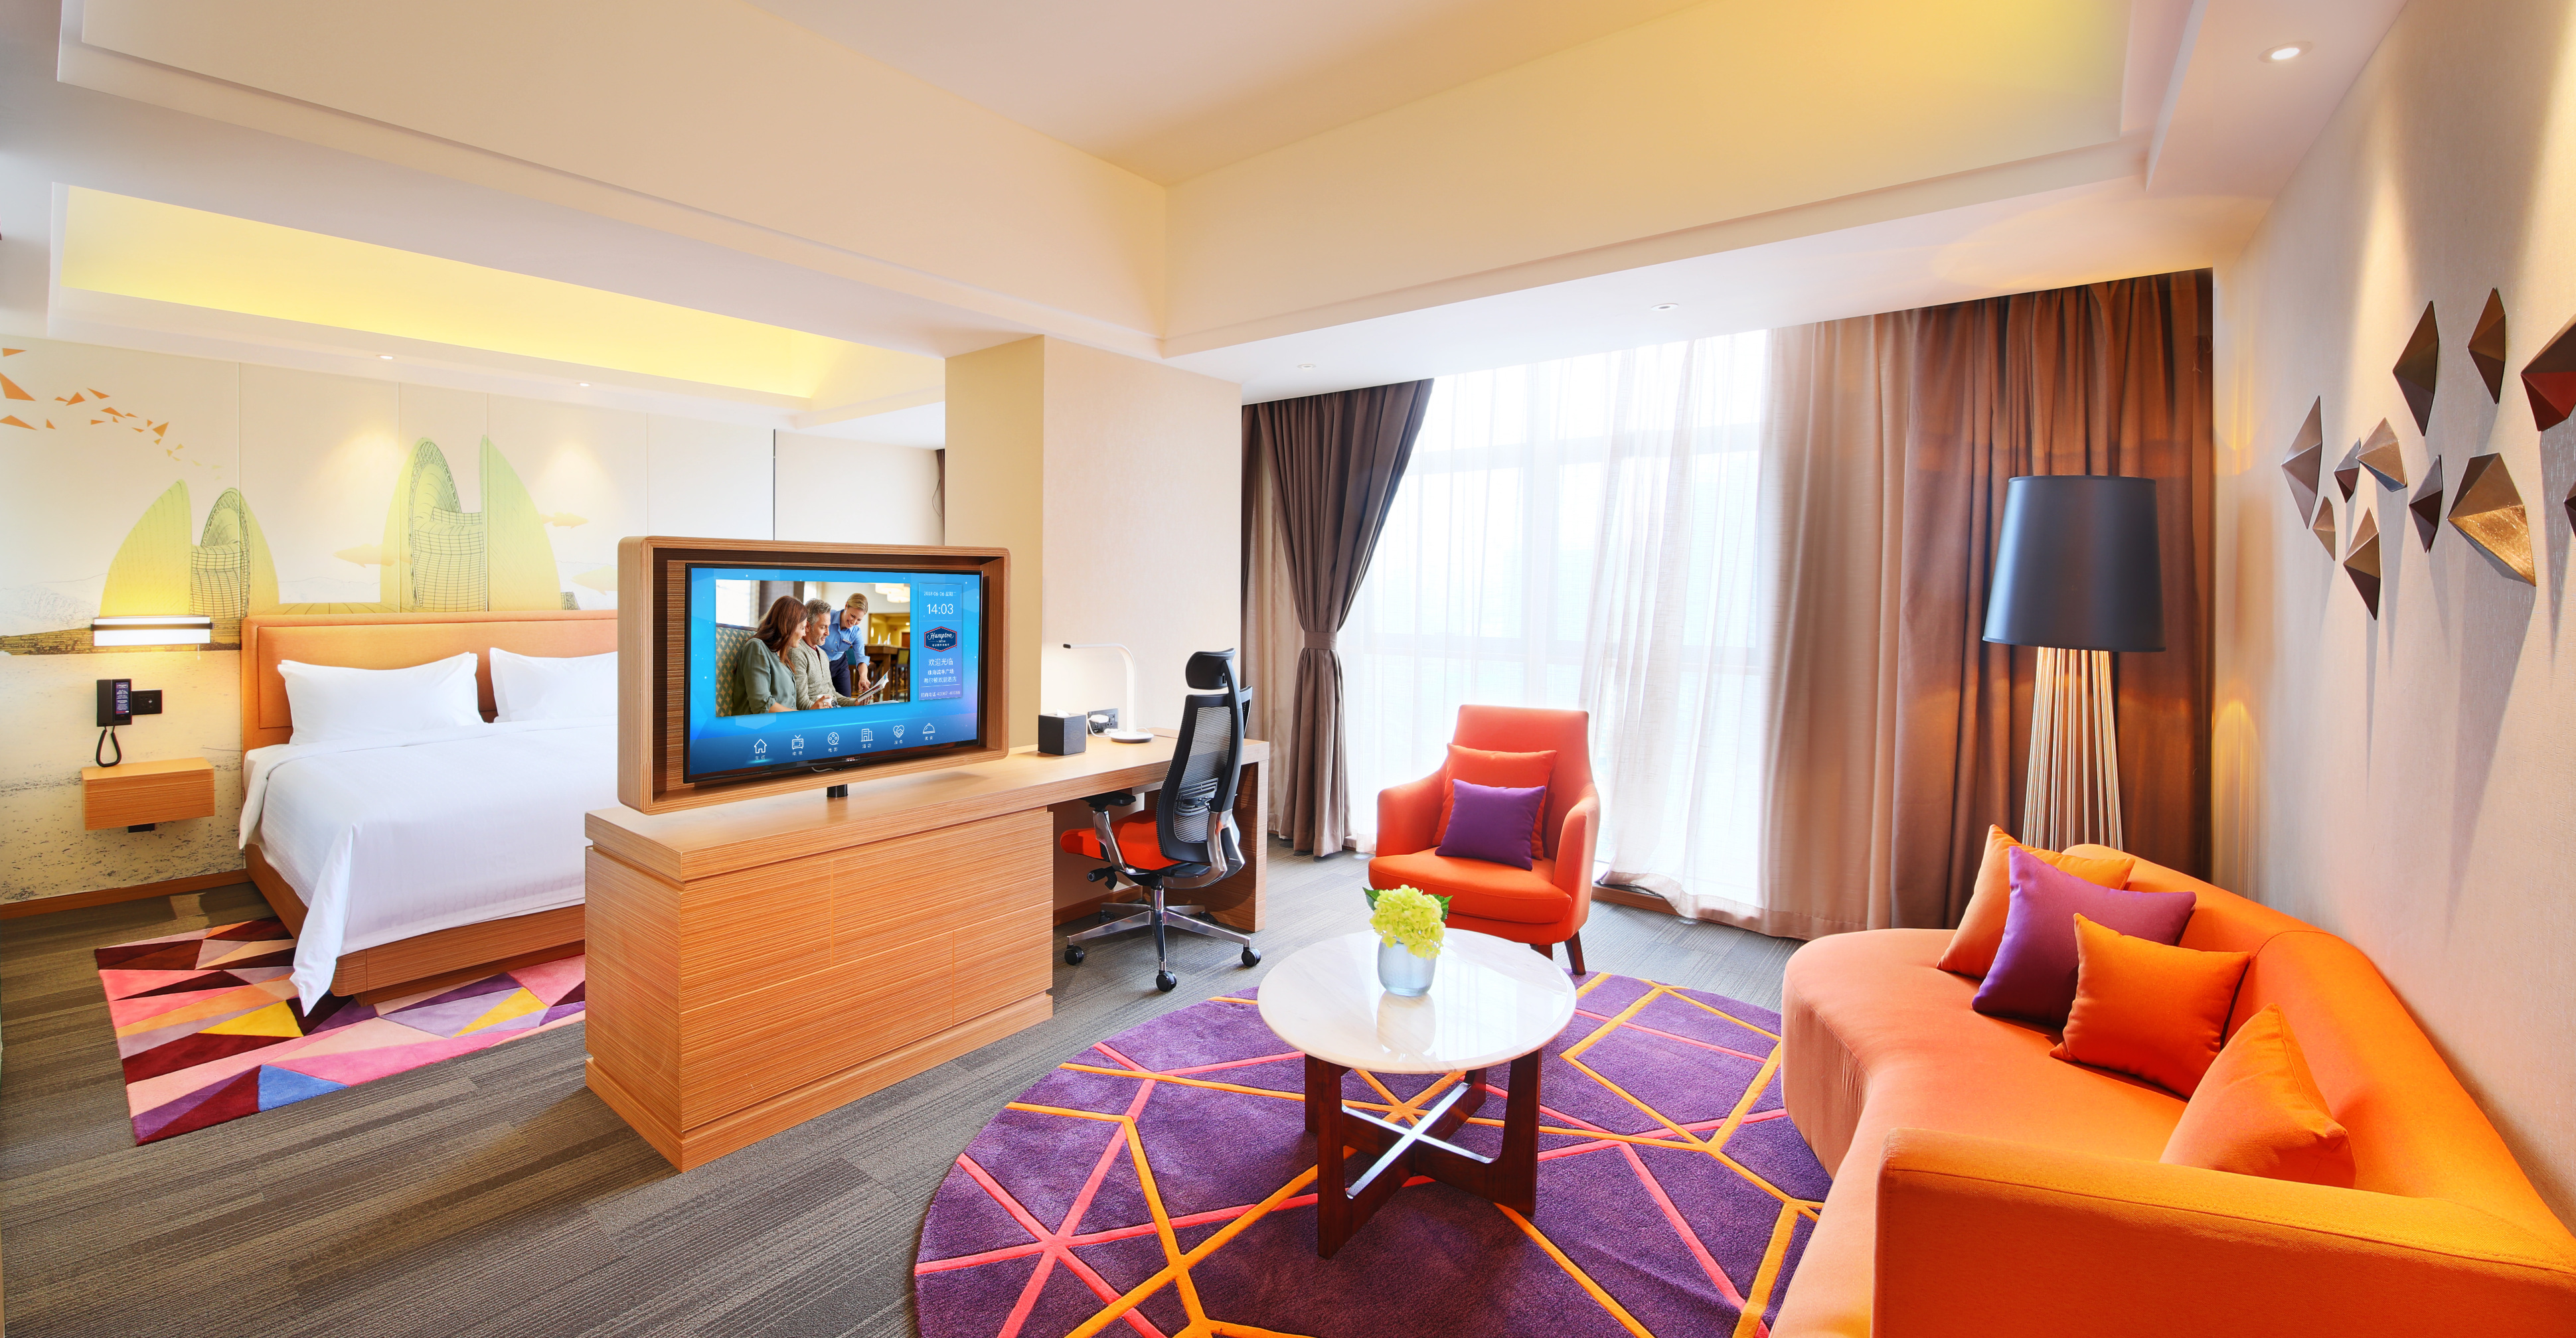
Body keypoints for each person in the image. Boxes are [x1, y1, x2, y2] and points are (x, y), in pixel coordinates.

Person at [736, 596, 808, 713]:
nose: (804, 634)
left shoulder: (781, 656)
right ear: (789, 625)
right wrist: (800, 717)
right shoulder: (757, 647)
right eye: (803, 628)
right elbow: (762, 705)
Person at [792, 599, 868, 709]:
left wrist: (855, 702)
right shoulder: (798, 653)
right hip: (824, 712)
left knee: (889, 705)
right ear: (807, 626)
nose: (828, 633)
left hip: (838, 662)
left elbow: (832, 694)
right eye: (823, 627)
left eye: (859, 619)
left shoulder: (822, 654)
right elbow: (802, 702)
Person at [820, 593, 875, 698]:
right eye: (853, 616)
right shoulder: (828, 617)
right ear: (846, 606)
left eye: (859, 620)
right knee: (823, 699)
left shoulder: (856, 632)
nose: (854, 622)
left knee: (846, 700)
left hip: (840, 665)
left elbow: (861, 658)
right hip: (819, 661)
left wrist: (863, 677)